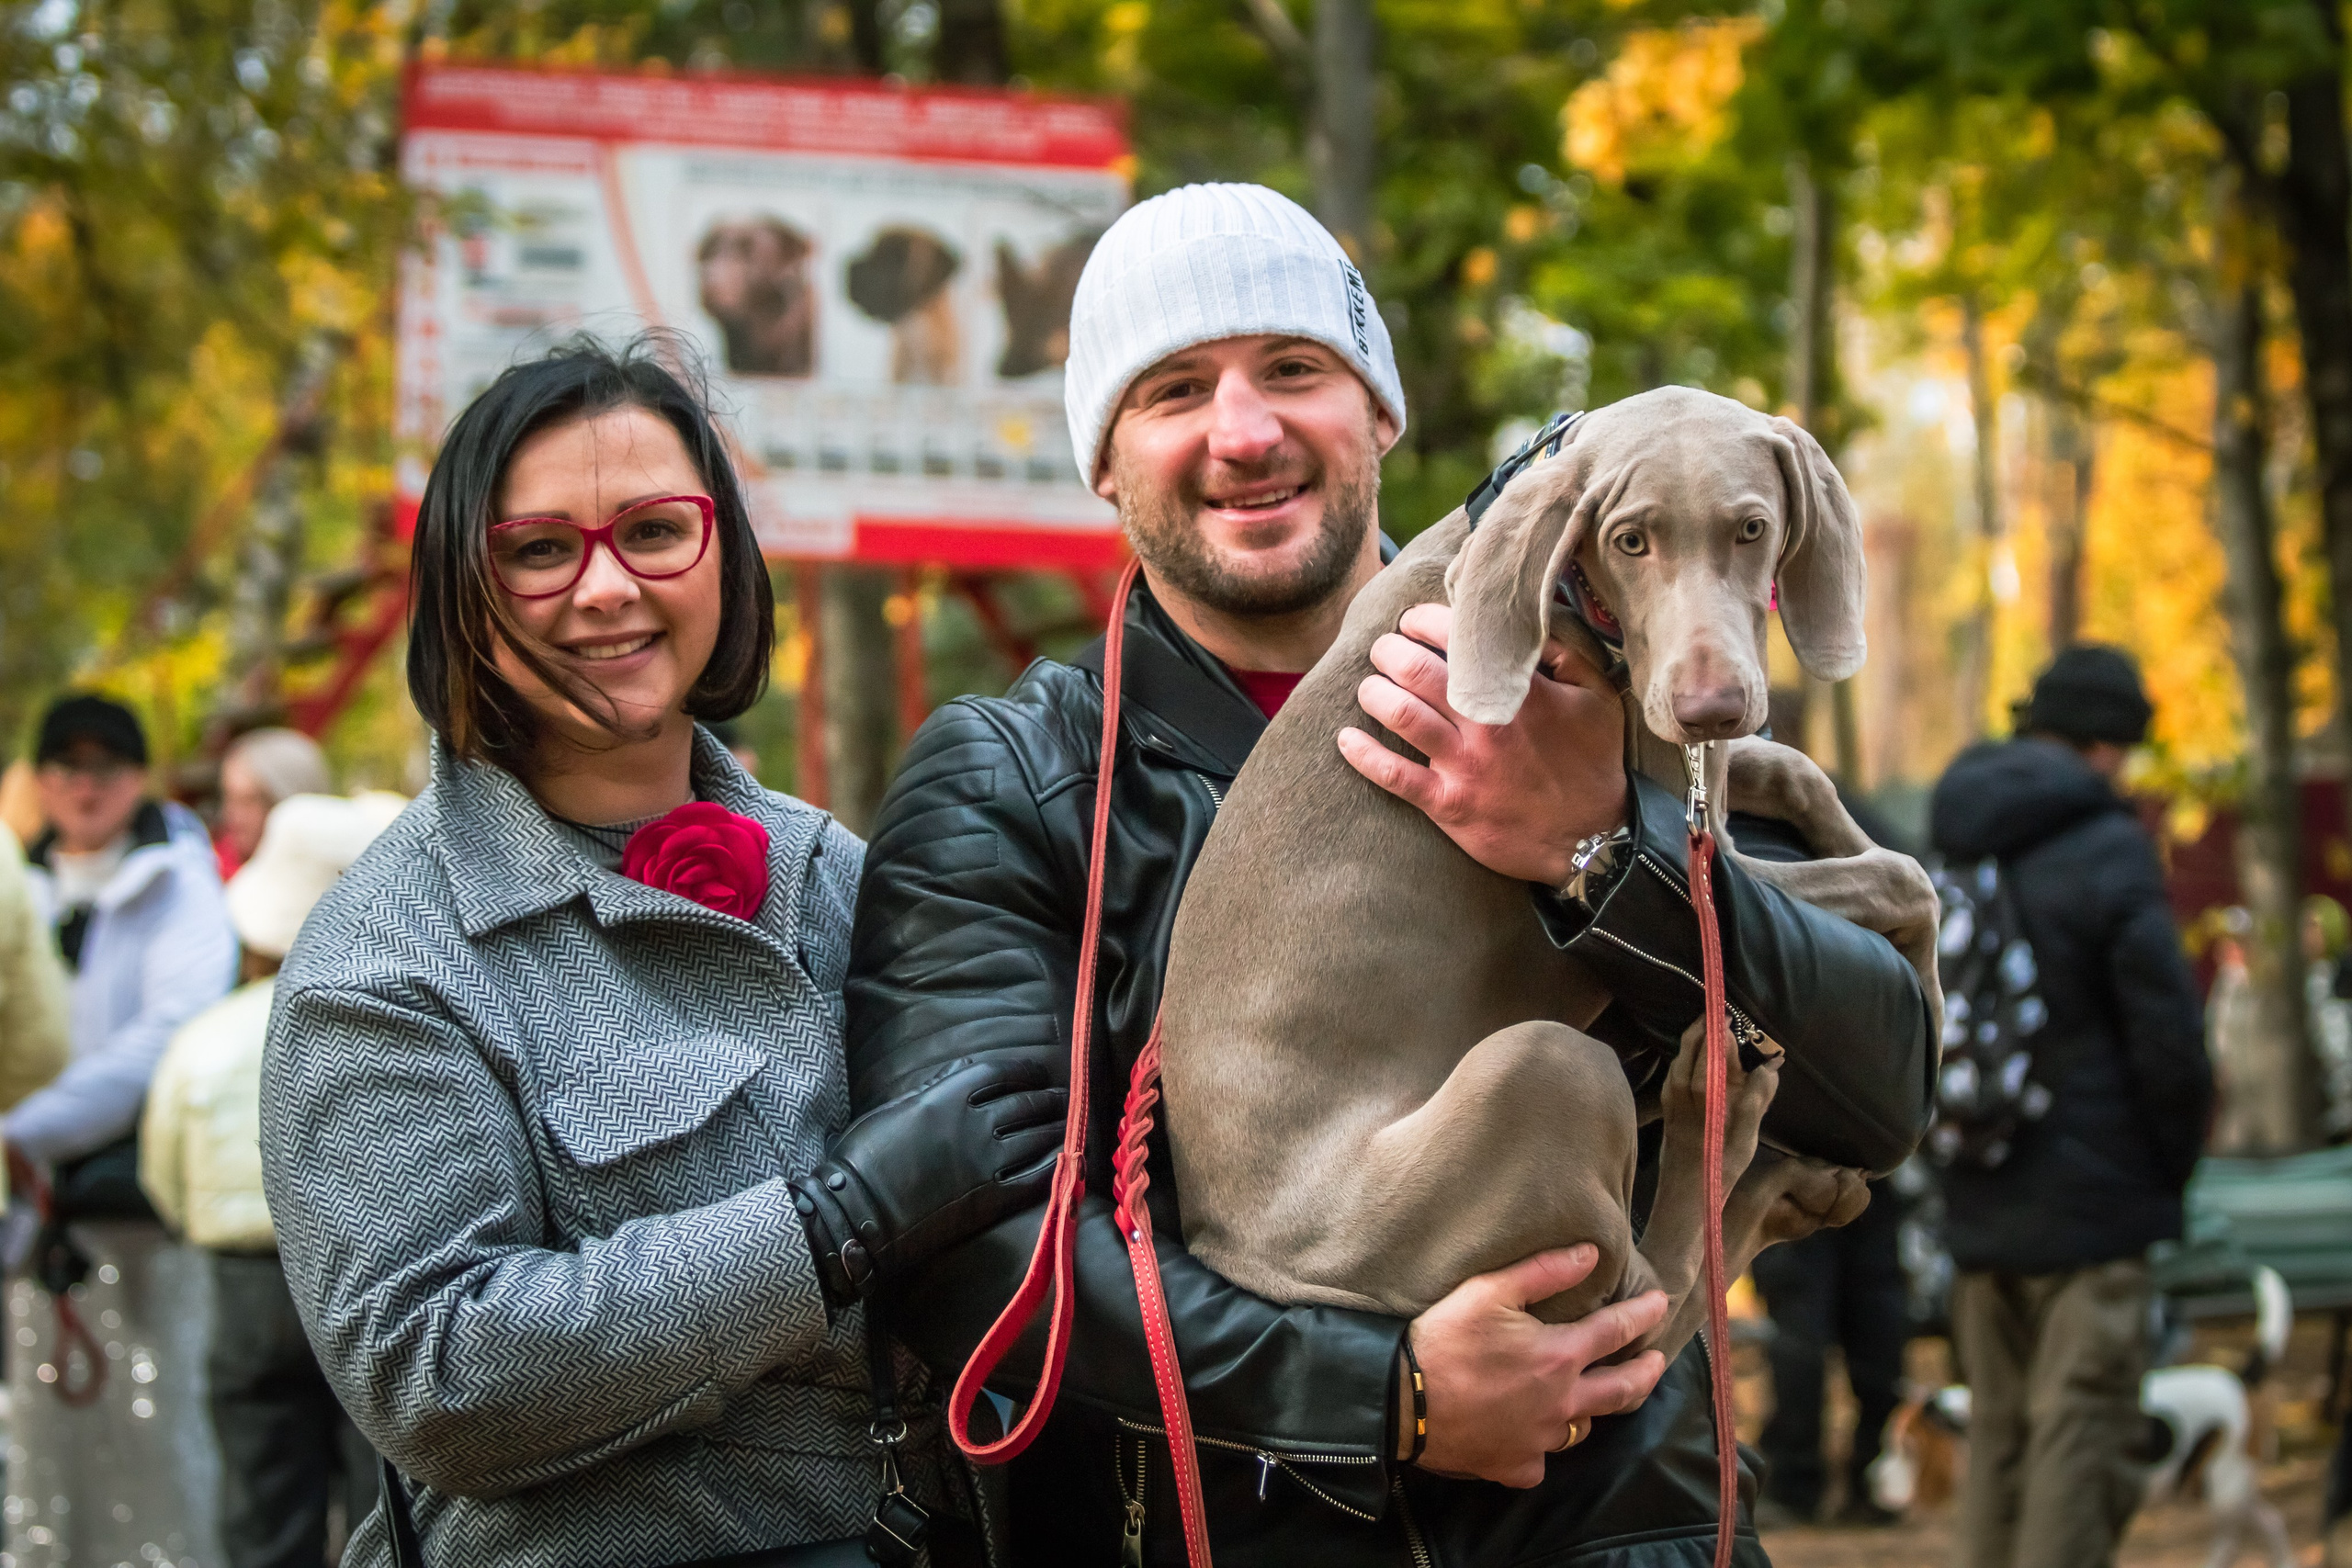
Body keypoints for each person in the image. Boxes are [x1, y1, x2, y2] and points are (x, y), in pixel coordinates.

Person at [829, 183, 1934, 1565]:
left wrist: (1599, 852)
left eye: (1295, 368)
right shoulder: (1016, 781)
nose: (1246, 430)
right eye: (1174, 389)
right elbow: (974, 1250)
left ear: (1382, 412)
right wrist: (1382, 1391)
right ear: (1103, 461)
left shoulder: (1633, 661)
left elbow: (1880, 1095)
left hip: (1630, 1526)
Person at [259, 341, 1020, 1567]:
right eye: (542, 549)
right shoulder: (386, 960)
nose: (607, 587)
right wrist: (826, 1227)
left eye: (655, 530)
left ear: (722, 552)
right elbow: (435, 1368)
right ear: (465, 588)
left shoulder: (839, 870)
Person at [1928, 644, 2212, 1568]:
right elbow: (2166, 1036)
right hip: (2095, 1211)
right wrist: (2166, 1167)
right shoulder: (2107, 846)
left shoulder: (1953, 834)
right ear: (2104, 746)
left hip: (1976, 1185)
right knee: (2075, 1448)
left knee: (1997, 1449)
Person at [143, 789, 406, 1568]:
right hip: (369, 1285)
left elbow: (168, 1177)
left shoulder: (205, 1039)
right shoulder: (390, 1023)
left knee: (262, 1507)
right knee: (383, 1509)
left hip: (246, 1287)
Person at [9, 693, 238, 1568]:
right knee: (45, 1443)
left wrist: (26, 1130)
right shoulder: (19, 882)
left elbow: (164, 1037)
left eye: (103, 765)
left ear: (135, 776)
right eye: (65, 765)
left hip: (142, 1215)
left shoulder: (180, 883)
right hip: (34, 1222)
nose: (84, 785)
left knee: (160, 1428)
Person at [213, 727, 333, 880]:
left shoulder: (334, 875)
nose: (231, 812)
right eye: (229, 797)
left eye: (249, 800)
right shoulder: (211, 872)